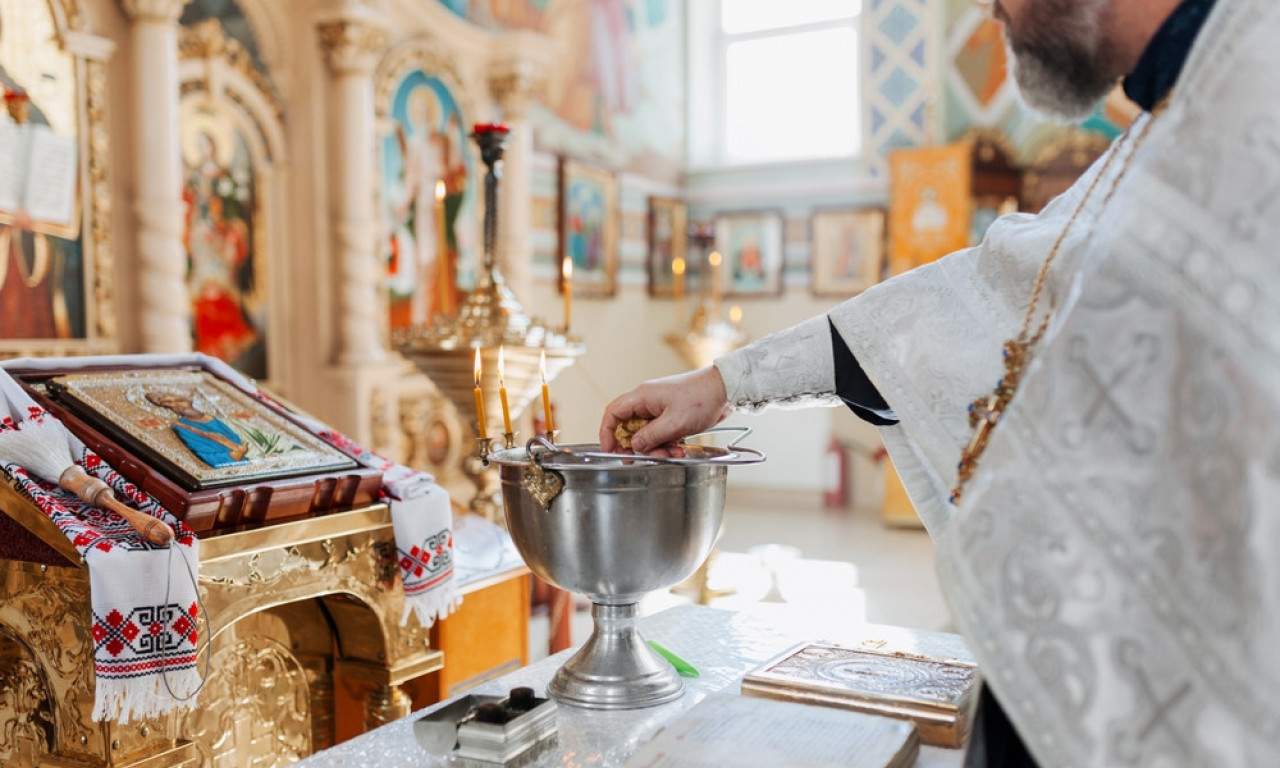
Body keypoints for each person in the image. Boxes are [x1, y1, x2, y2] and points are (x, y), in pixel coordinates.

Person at [601, 0, 1278, 766]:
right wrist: (721, 382)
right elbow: (976, 293)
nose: (988, 7)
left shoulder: (1252, 89)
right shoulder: (1182, 110)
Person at [145, 391, 249, 468]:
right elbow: (205, 455)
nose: (176, 405)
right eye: (168, 403)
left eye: (179, 400)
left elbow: (241, 440)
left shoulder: (220, 418)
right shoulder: (181, 428)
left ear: (190, 401)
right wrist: (236, 454)